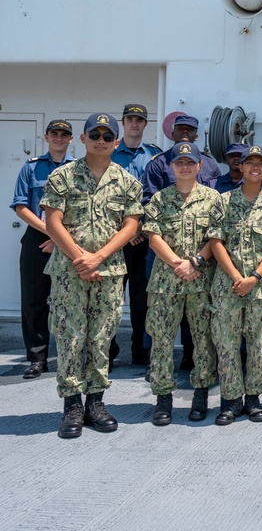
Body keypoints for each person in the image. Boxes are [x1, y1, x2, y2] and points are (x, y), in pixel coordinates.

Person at [41, 113, 143, 439]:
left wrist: (98, 256)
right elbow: (53, 221)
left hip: (109, 271)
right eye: (94, 134)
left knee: (102, 336)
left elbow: (131, 225)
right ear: (83, 139)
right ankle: (72, 404)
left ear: (116, 141)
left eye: (107, 135)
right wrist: (79, 257)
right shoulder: (62, 177)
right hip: (70, 271)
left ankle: (96, 402)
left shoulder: (128, 182)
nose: (101, 140)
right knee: (70, 335)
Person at [207, 145, 262, 426]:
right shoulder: (223, 202)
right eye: (248, 162)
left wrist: (254, 278)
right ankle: (230, 401)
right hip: (227, 287)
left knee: (258, 344)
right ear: (240, 167)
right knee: (226, 344)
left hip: (261, 288)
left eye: (260, 163)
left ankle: (253, 398)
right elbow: (215, 241)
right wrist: (235, 277)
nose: (254, 167)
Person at [143, 142, 219, 425]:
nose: (185, 167)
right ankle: (163, 399)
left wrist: (195, 262)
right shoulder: (159, 200)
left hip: (201, 281)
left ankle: (200, 395)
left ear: (200, 166)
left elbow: (216, 237)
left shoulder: (214, 200)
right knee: (161, 341)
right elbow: (153, 236)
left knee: (202, 340)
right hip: (167, 282)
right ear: (171, 167)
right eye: (179, 163)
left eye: (190, 162)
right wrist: (179, 264)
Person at [11, 119, 74, 379]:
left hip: (71, 240)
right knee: (34, 299)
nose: (59, 138)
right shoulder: (31, 167)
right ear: (46, 136)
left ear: (71, 139)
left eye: (64, 134)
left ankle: (70, 357)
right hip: (38, 238)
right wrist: (51, 233)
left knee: (70, 301)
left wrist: (60, 238)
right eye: (54, 134)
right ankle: (37, 359)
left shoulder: (79, 170)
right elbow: (20, 205)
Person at [110, 103, 163, 368]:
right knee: (110, 298)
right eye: (130, 119)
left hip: (144, 238)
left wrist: (141, 226)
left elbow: (158, 195)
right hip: (114, 239)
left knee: (142, 299)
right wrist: (125, 229)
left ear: (145, 125)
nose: (134, 124)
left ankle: (141, 350)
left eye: (139, 120)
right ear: (123, 122)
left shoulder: (155, 156)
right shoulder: (109, 152)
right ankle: (107, 351)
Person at [141, 114, 220, 203]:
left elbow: (218, 195)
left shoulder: (209, 164)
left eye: (190, 129)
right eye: (180, 128)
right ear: (173, 134)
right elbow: (149, 200)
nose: (185, 132)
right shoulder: (158, 163)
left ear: (196, 136)